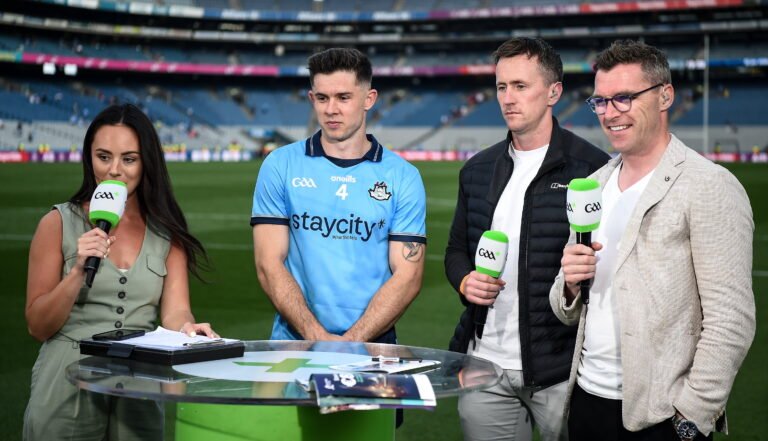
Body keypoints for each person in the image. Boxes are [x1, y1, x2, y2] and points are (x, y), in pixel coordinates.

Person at [549, 40, 755, 441]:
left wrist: (691, 416)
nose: (610, 113)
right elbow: (566, 308)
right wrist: (571, 284)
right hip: (587, 402)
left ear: (665, 96)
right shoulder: (593, 185)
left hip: (662, 417)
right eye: (601, 101)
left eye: (624, 98)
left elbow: (731, 319)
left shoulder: (709, 185)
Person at [444, 37, 610, 441]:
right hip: (484, 366)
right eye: (502, 86)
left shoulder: (593, 170)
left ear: (554, 92)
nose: (508, 97)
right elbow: (456, 251)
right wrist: (465, 281)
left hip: (562, 369)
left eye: (520, 86)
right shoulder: (477, 170)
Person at [24, 103, 217, 441]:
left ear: (147, 163)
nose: (114, 170)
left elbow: (176, 312)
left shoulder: (167, 232)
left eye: (129, 159)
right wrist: (77, 271)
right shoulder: (57, 223)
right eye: (103, 157)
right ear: (89, 158)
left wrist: (188, 330)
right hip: (65, 383)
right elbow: (38, 326)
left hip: (140, 384)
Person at [251, 48, 426, 344]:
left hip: (372, 348)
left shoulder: (403, 176)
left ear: (369, 99)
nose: (331, 109)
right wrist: (317, 337)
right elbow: (269, 264)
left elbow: (408, 277)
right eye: (322, 98)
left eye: (343, 98)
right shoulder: (280, 165)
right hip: (293, 344)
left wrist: (350, 342)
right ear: (311, 98)